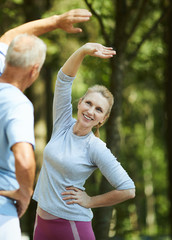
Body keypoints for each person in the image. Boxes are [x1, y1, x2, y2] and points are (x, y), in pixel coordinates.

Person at [0, 9, 93, 240]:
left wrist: (55, 21)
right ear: (34, 71)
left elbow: (8, 36)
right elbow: (24, 159)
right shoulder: (19, 105)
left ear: (7, 59)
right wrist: (25, 194)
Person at [32, 43, 136, 239]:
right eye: (88, 103)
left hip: (72, 226)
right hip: (42, 222)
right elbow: (63, 80)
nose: (90, 111)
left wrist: (90, 201)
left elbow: (128, 189)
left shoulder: (95, 147)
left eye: (99, 109)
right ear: (79, 103)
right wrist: (83, 50)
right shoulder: (62, 123)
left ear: (103, 119)